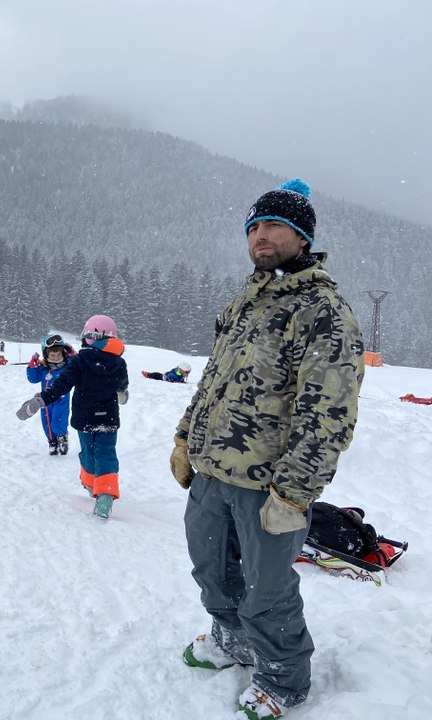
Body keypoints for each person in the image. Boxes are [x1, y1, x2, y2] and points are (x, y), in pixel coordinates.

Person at [170, 179, 365, 719]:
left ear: (301, 236)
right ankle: (232, 640)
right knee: (211, 569)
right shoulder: (243, 304)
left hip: (268, 486)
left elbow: (327, 413)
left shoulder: (322, 310)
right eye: (253, 226)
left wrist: (295, 492)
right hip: (212, 473)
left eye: (273, 225)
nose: (260, 235)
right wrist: (186, 436)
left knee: (269, 590)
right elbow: (213, 379)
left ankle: (283, 679)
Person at [17, 315, 129, 519]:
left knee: (88, 452)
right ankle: (105, 492)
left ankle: (91, 484)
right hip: (108, 419)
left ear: (93, 336)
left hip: (85, 418)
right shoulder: (119, 362)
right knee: (106, 453)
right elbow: (122, 388)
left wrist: (41, 400)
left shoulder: (80, 361)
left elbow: (61, 386)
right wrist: (122, 393)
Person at [25, 333, 75, 455]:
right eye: (53, 355)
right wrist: (32, 366)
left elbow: (77, 368)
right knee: (47, 422)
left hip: (61, 399)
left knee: (59, 420)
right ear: (46, 354)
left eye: (59, 354)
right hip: (45, 401)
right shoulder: (43, 368)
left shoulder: (67, 366)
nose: (56, 357)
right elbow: (33, 379)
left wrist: (73, 356)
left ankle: (62, 438)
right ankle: (52, 441)